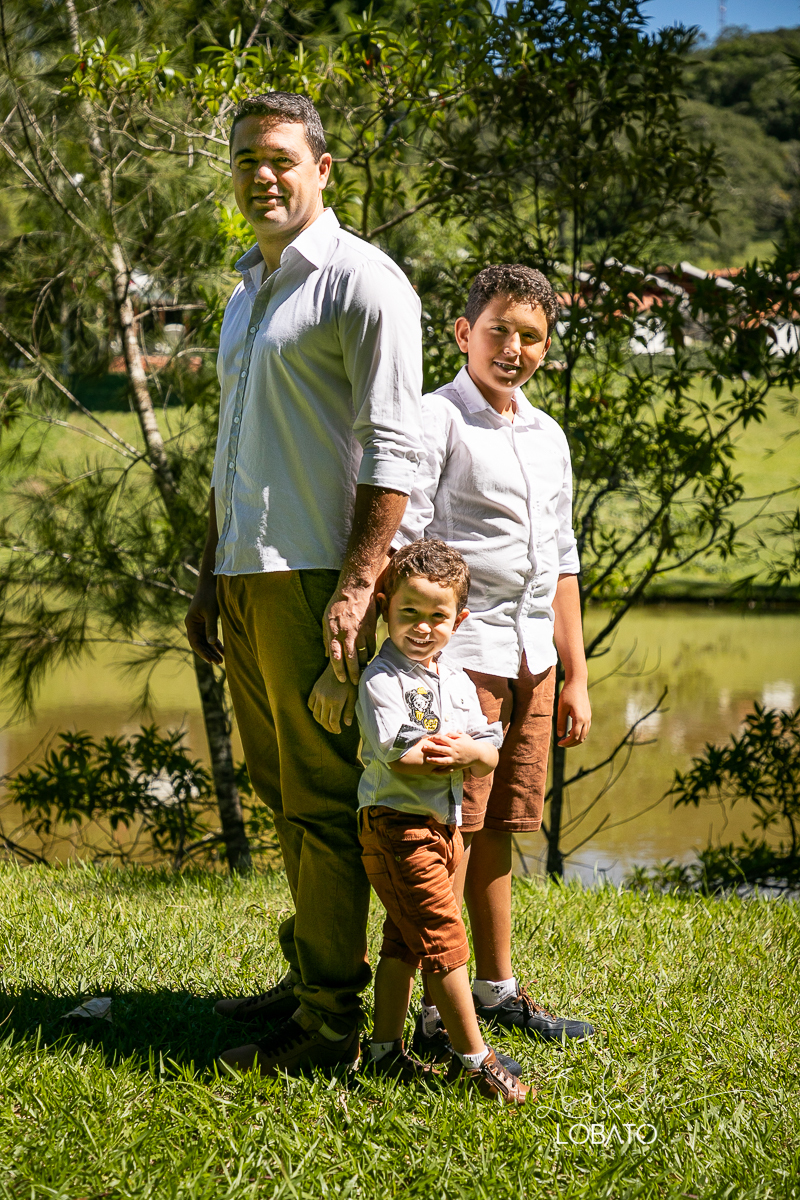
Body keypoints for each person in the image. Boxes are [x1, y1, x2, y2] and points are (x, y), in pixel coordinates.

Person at [184, 91, 423, 1077]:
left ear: (323, 168)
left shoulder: (363, 283)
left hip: (315, 574)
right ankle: (316, 969)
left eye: (279, 157)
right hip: (246, 571)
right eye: (244, 158)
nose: (261, 174)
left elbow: (395, 449)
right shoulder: (249, 291)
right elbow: (233, 453)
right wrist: (209, 575)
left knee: (322, 802)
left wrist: (358, 586)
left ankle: (332, 1025)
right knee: (284, 794)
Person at [395, 264, 596, 1052]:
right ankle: (438, 1011)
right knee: (453, 828)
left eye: (531, 336)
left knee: (505, 823)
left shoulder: (548, 436)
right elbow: (407, 542)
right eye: (499, 331)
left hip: (532, 658)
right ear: (463, 334)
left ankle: (496, 988)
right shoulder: (434, 419)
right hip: (462, 659)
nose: (513, 349)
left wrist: (574, 673)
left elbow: (563, 560)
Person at [355, 539, 530, 1104]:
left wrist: (470, 751)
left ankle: (383, 1053)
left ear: (460, 619)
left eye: (438, 616)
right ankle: (474, 1058)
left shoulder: (453, 680)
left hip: (443, 827)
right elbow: (402, 753)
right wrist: (461, 752)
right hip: (397, 825)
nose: (424, 628)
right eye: (410, 613)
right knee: (444, 939)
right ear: (385, 607)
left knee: (404, 941)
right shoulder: (383, 679)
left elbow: (491, 752)